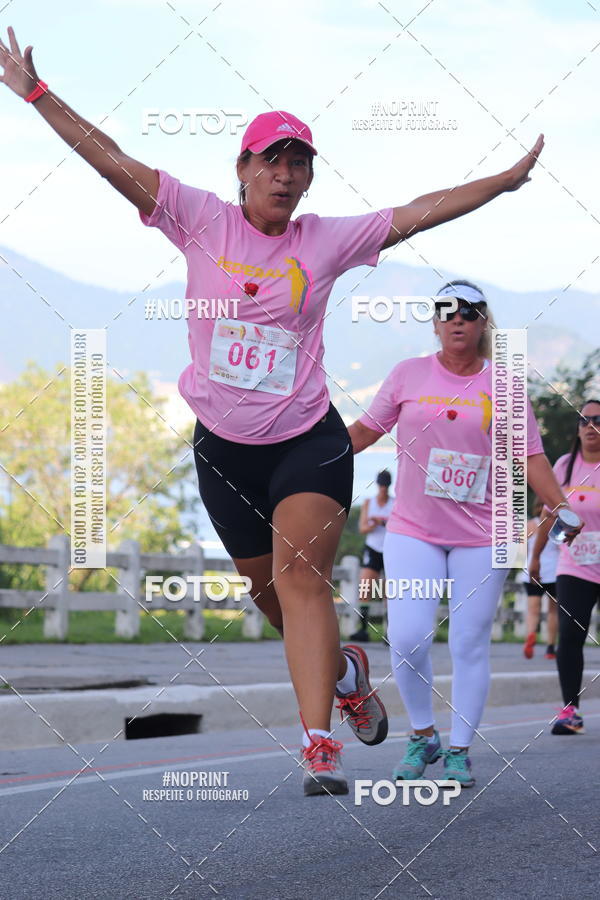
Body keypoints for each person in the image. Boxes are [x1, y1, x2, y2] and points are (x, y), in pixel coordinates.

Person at [0, 26, 547, 796]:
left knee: (299, 578)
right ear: (244, 169)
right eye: (274, 161)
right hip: (224, 449)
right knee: (271, 598)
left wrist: (503, 181)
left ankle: (318, 741)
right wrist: (34, 92)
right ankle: (347, 671)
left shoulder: (325, 241)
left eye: (301, 164)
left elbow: (420, 210)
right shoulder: (196, 218)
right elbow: (108, 158)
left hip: (308, 442)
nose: (288, 176)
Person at [348, 280, 579, 787]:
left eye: (469, 312)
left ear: (481, 324)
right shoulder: (407, 375)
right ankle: (422, 735)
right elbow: (364, 432)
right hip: (413, 529)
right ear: (434, 322)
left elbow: (531, 457)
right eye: (447, 311)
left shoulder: (506, 385)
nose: (458, 320)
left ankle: (459, 749)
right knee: (408, 638)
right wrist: (304, 456)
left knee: (469, 643)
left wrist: (560, 504)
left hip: (488, 532)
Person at [530, 400, 600, 735]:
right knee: (571, 635)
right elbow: (549, 516)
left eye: (598, 420)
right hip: (576, 565)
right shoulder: (564, 466)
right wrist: (535, 557)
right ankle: (570, 711)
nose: (590, 426)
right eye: (584, 420)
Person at [350, 469, 394, 642]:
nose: (383, 488)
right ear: (378, 485)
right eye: (381, 485)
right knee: (366, 586)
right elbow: (363, 528)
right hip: (373, 547)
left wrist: (380, 521)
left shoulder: (395, 503)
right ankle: (363, 629)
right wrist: (375, 524)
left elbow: (398, 526)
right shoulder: (369, 503)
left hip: (390, 548)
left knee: (388, 592)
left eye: (386, 485)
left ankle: (389, 632)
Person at [519, 497, 559, 660]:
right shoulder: (557, 525)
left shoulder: (530, 525)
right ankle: (550, 648)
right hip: (554, 571)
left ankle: (530, 635)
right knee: (553, 611)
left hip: (532, 570)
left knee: (533, 609)